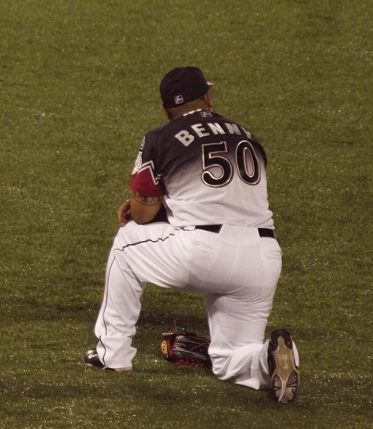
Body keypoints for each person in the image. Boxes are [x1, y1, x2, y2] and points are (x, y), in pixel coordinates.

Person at [83, 67, 299, 404]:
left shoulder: (160, 138)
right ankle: (270, 359)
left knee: (126, 245)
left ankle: (113, 354)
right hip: (262, 257)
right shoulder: (246, 135)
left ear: (165, 110)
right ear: (209, 99)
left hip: (204, 252)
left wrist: (140, 206)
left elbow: (142, 215)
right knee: (230, 360)